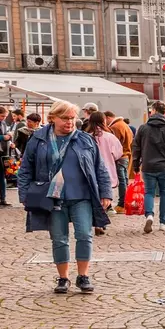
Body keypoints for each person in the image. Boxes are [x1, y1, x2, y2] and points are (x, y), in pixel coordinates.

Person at [18, 101, 112, 293]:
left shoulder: (85, 139)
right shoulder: (38, 139)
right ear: (52, 118)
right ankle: (63, 278)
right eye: (65, 118)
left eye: (72, 118)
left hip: (82, 195)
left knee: (85, 235)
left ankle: (83, 276)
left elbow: (100, 167)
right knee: (59, 238)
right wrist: (24, 193)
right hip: (53, 197)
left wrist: (105, 192)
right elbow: (25, 168)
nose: (70, 122)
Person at [131, 101, 165, 234]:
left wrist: (136, 164)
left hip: (148, 165)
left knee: (149, 192)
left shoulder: (143, 128)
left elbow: (136, 148)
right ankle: (163, 222)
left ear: (153, 110)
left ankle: (149, 215)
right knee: (164, 193)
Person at [83, 111, 124, 234]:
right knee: (105, 197)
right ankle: (100, 222)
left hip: (90, 171)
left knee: (93, 196)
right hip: (107, 170)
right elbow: (118, 154)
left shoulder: (86, 137)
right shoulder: (110, 137)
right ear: (104, 121)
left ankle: (95, 221)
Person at [103, 111, 134, 207]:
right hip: (126, 156)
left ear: (108, 118)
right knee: (124, 179)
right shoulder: (123, 124)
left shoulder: (115, 127)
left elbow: (114, 144)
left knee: (121, 181)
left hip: (120, 156)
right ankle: (125, 202)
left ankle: (122, 203)